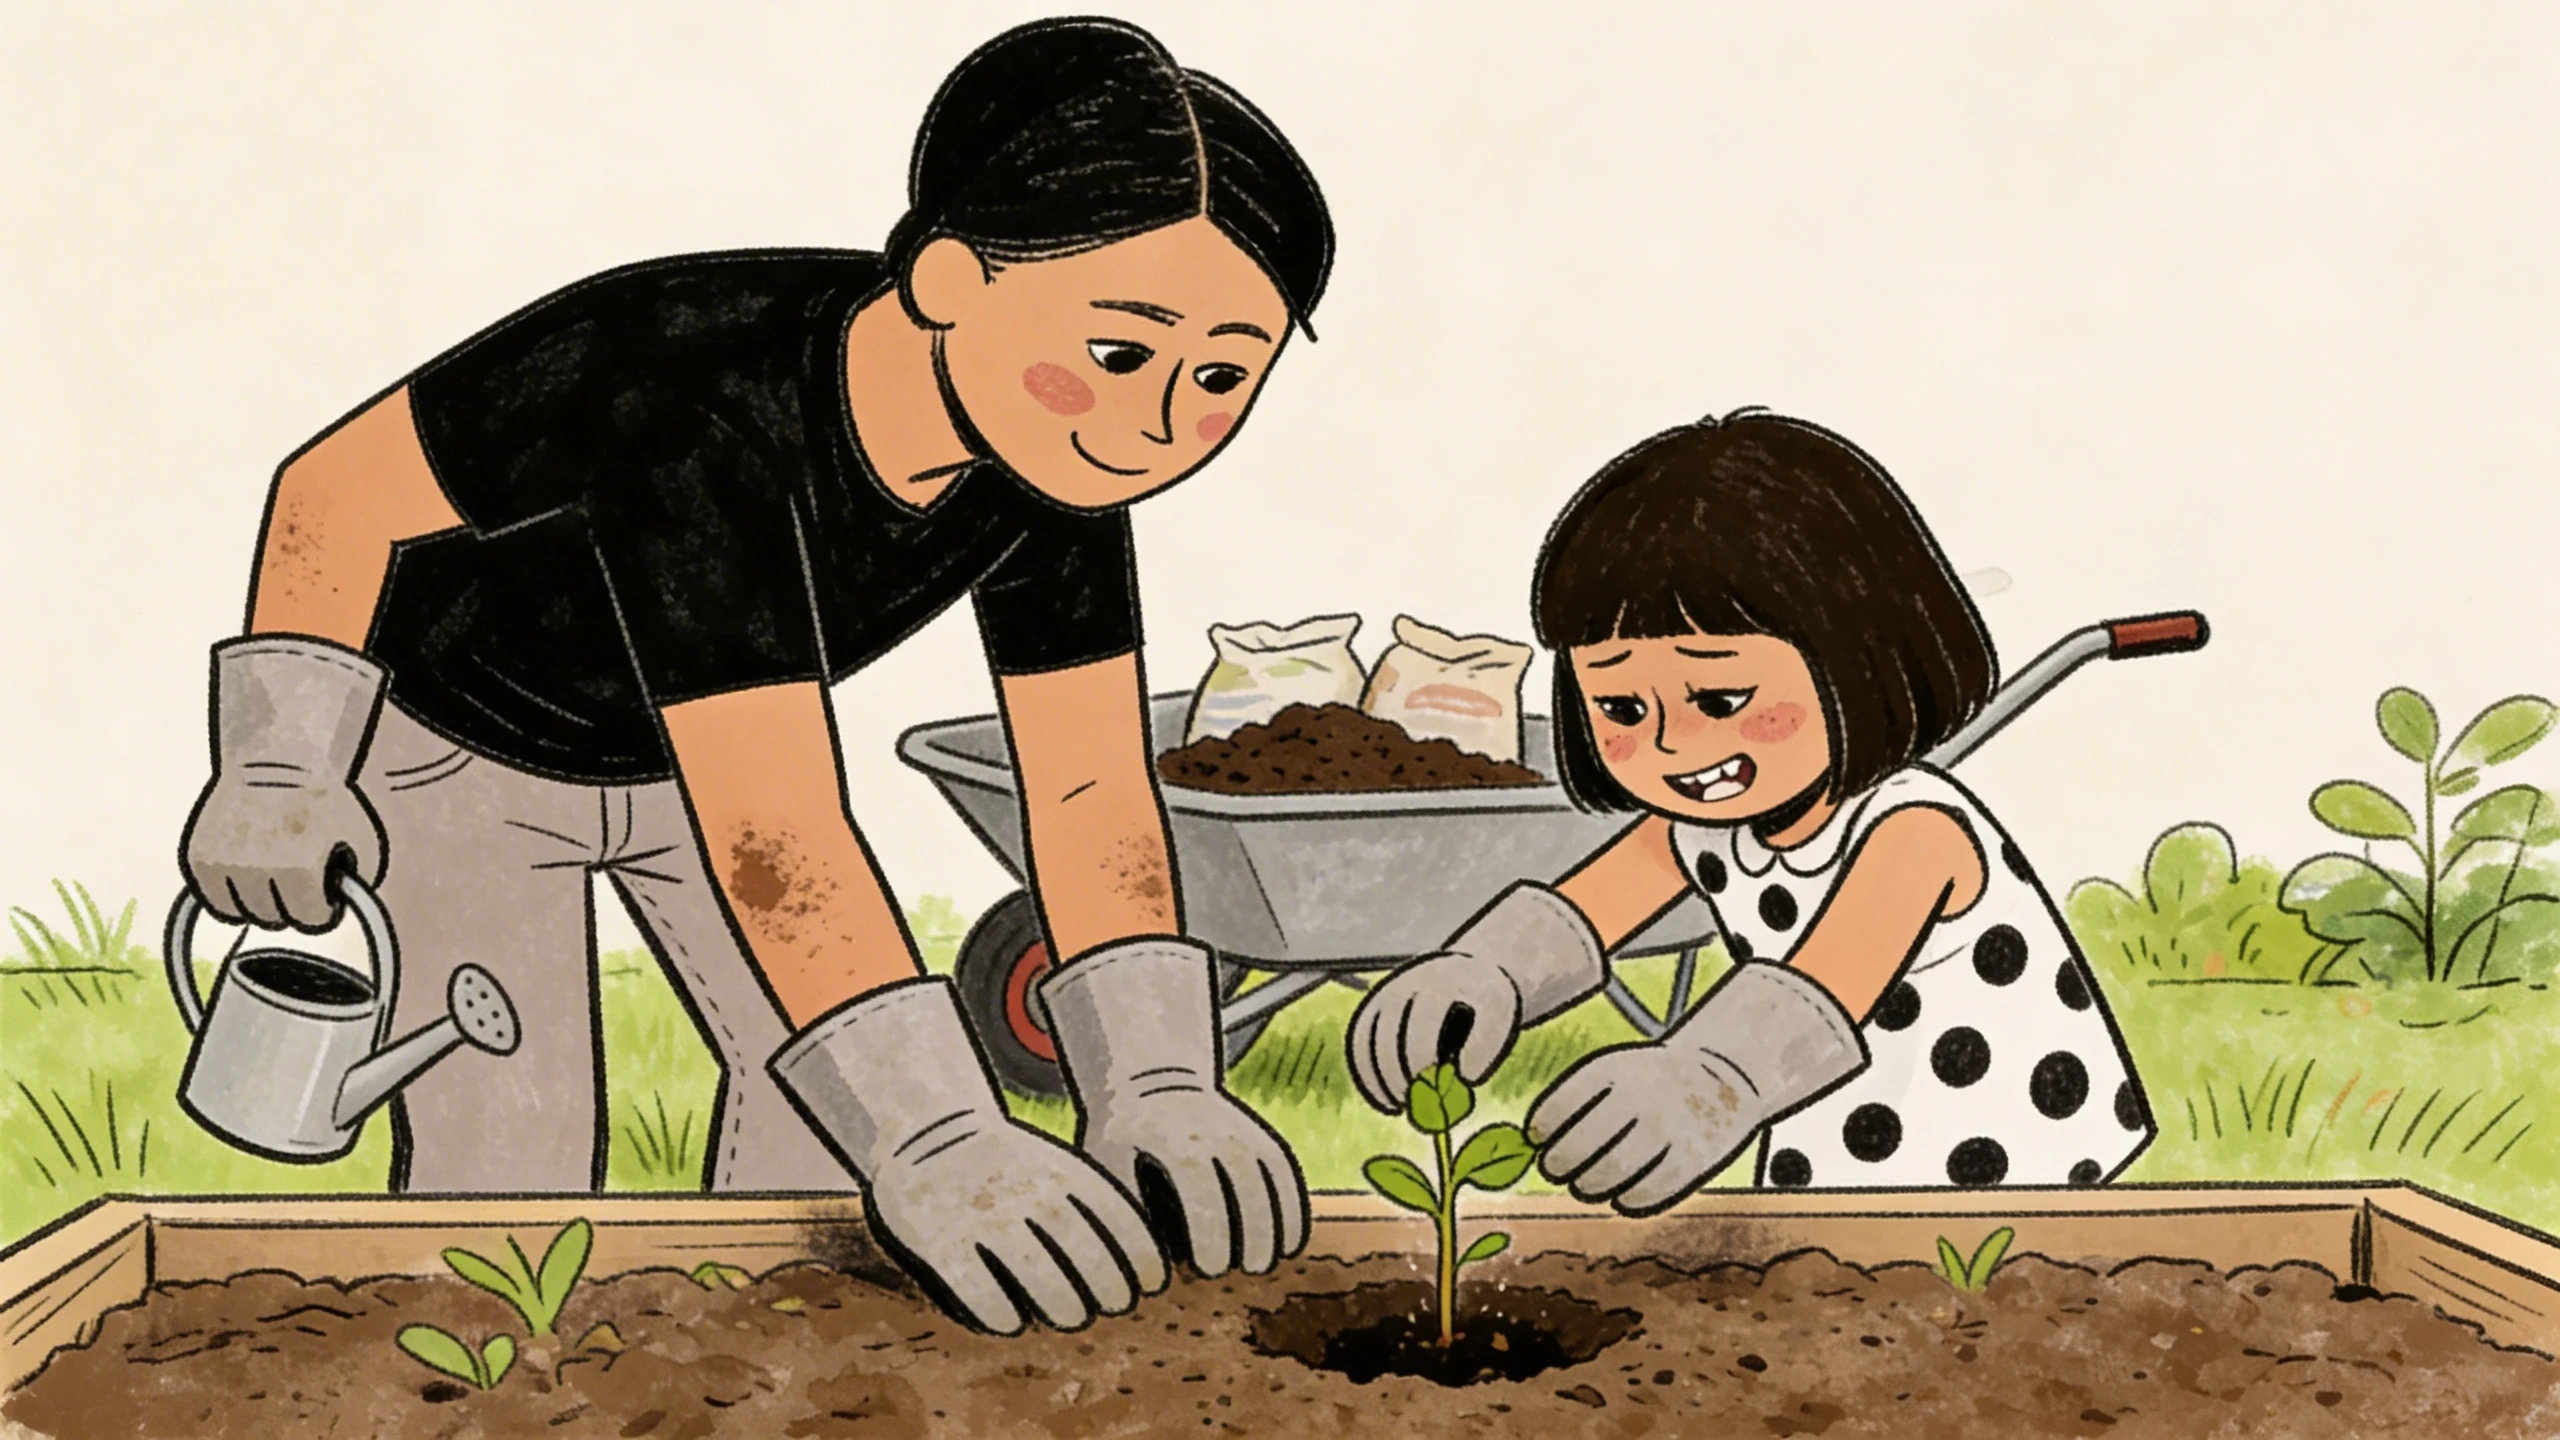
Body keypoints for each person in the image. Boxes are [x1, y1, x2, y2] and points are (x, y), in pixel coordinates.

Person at [177, 16, 1330, 1334]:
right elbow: (337, 491)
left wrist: (1159, 1078)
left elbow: (1083, 793)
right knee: (514, 1145)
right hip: (463, 745)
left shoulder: (1053, 468)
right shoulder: (700, 399)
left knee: (822, 1151)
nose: (1160, 425)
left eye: (1226, 375)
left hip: (690, 756)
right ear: (952, 277)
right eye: (1123, 353)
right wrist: (278, 759)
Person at [1346, 410, 2157, 1210]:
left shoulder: (1914, 833)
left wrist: (1709, 1076)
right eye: (1623, 710)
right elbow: (1589, 910)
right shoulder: (1703, 828)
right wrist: (1487, 973)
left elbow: (1826, 984)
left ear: (1856, 655)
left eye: (1722, 696)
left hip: (2008, 1157)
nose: (1672, 744)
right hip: (1834, 1134)